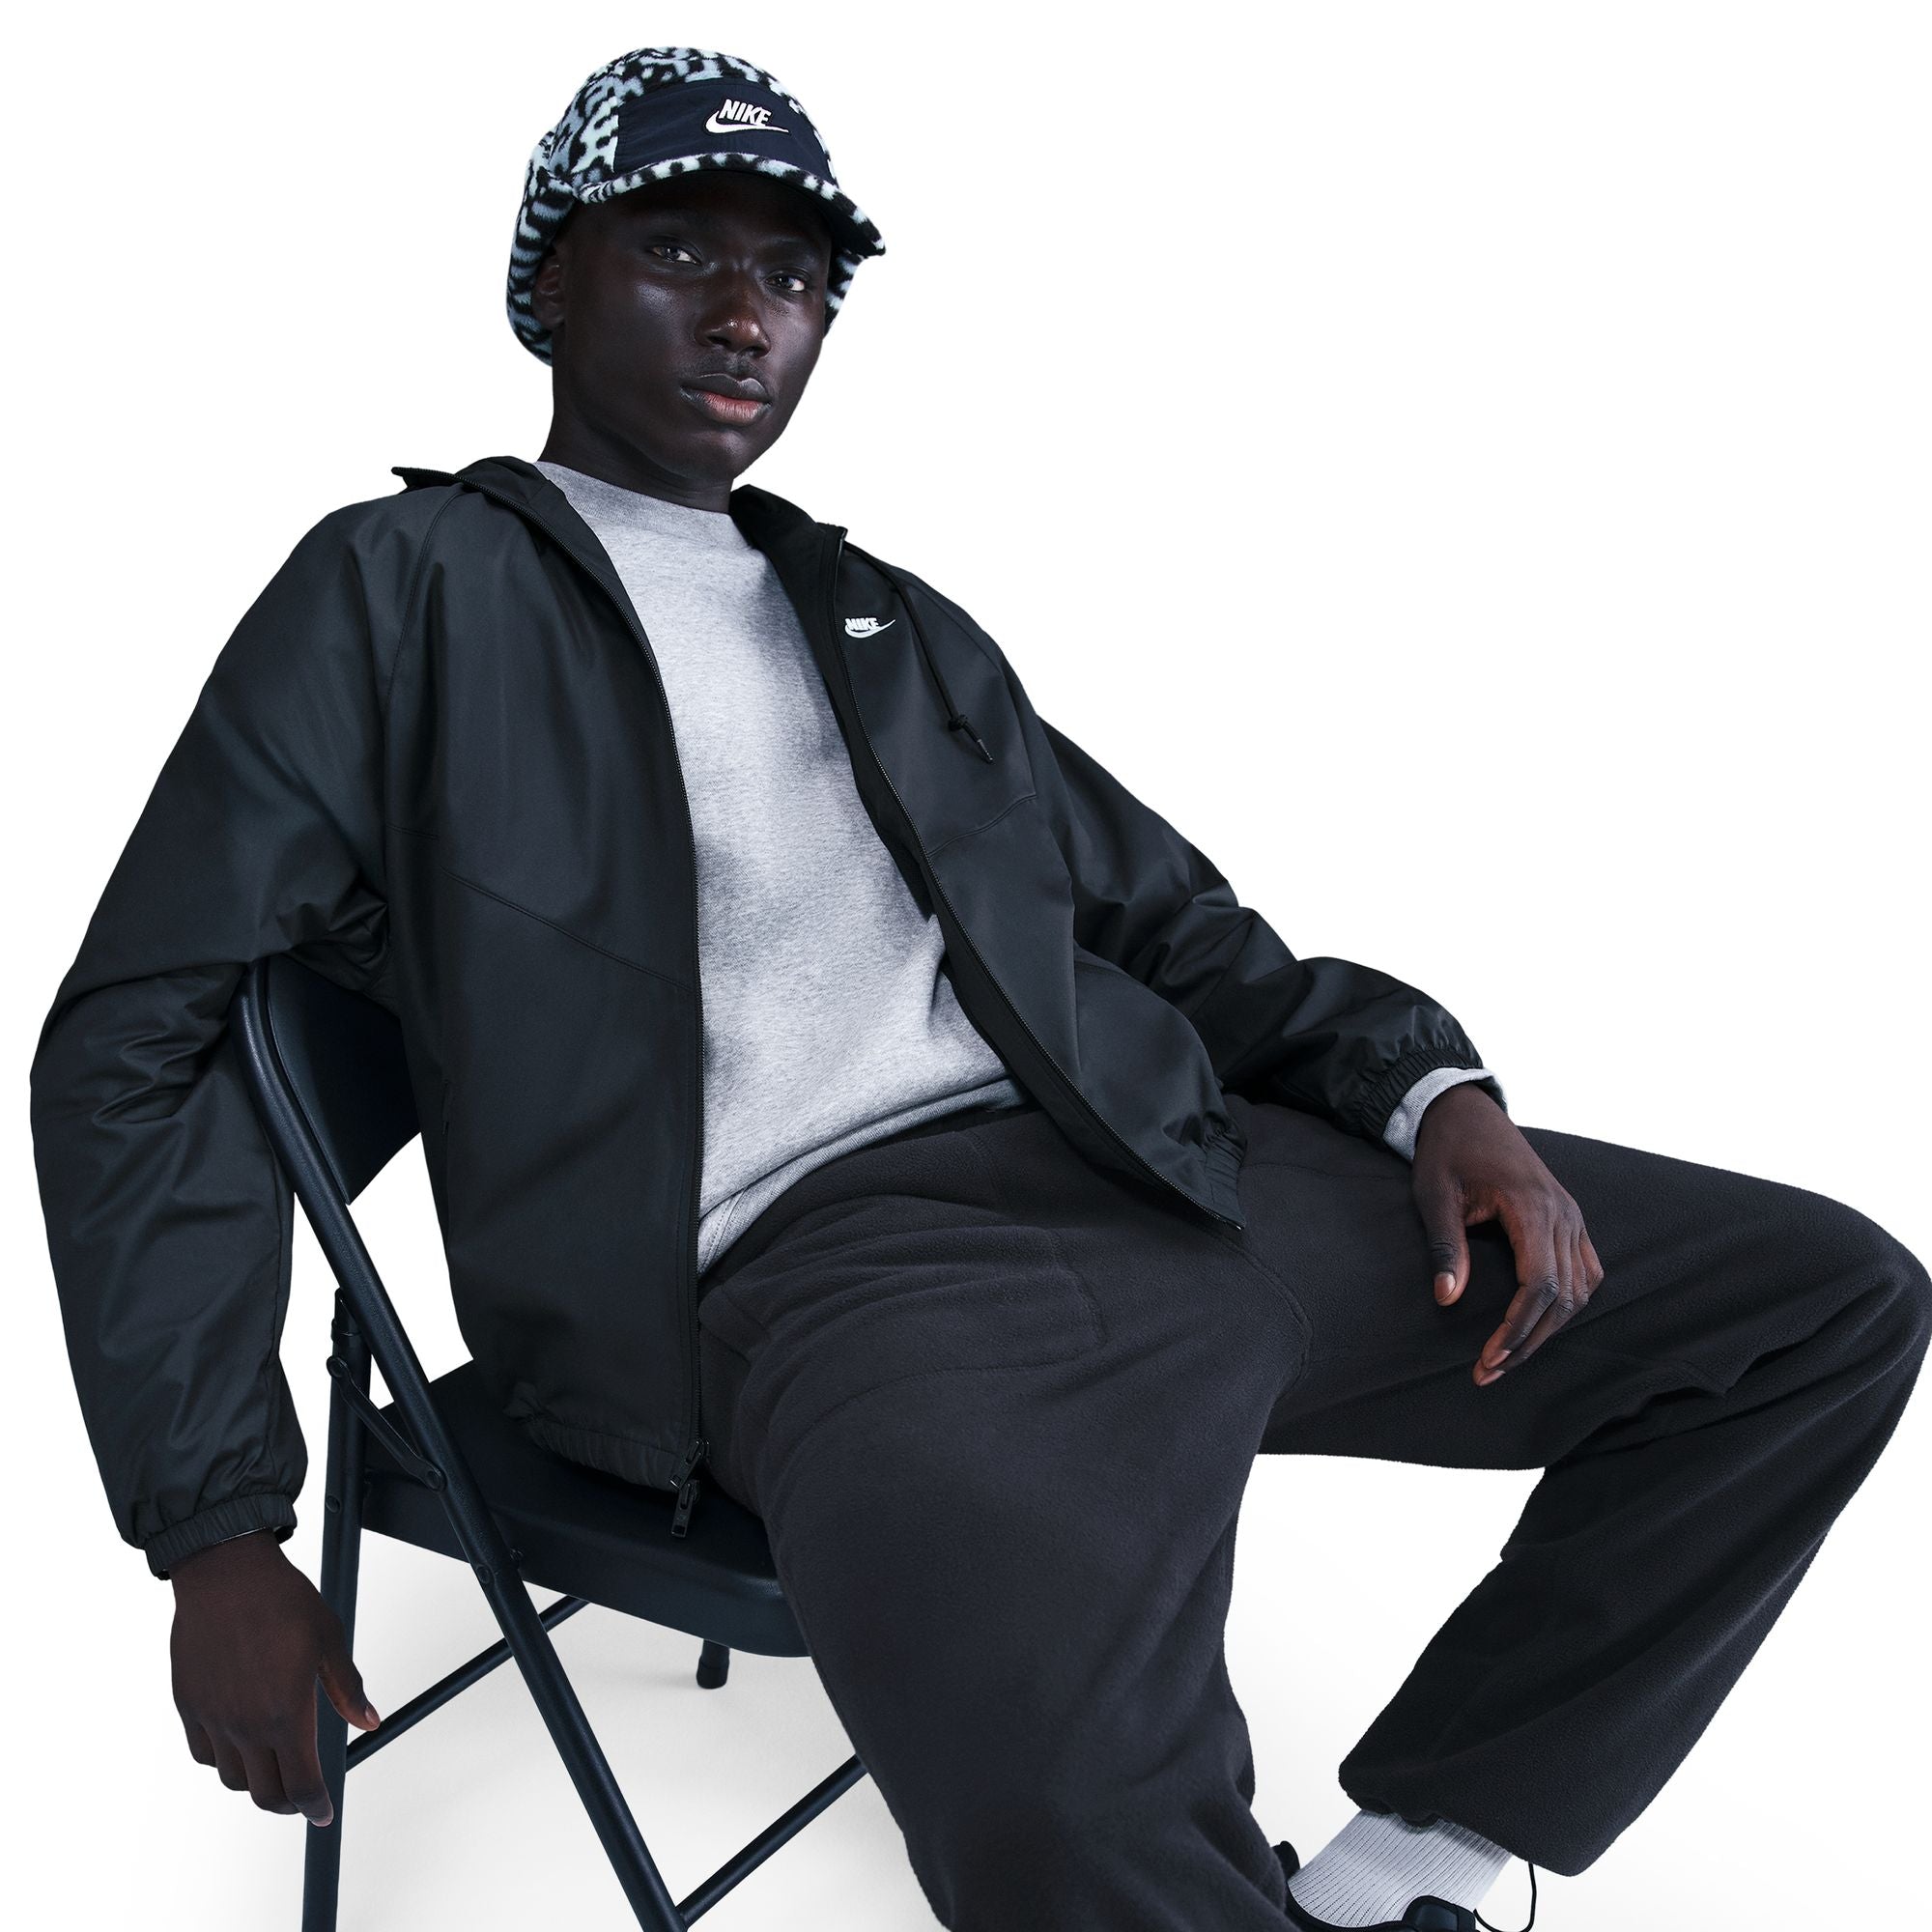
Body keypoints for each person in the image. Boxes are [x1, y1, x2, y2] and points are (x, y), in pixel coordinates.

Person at [27, 44, 1929, 1932]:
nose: (745, 314)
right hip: (831, 1271)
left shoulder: (882, 623)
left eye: (793, 276)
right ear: (549, 281)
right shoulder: (405, 586)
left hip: (1159, 1163)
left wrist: (1441, 1100)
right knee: (1074, 1818)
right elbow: (146, 1034)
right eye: (679, 250)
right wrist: (216, 1533)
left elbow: (1175, 929)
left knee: (1812, 1310)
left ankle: (1418, 1861)